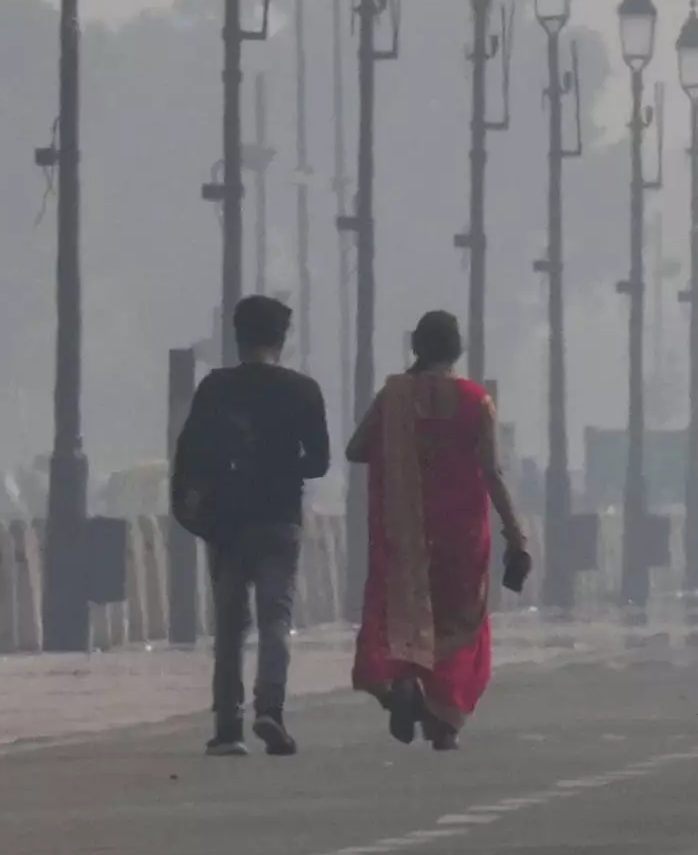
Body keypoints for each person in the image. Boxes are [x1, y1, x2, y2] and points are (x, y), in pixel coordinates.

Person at [347, 308, 530, 749]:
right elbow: (492, 473)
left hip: (403, 535)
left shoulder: (392, 396)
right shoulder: (475, 400)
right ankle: (443, 721)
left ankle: (396, 690)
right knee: (458, 627)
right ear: (456, 349)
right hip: (461, 538)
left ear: (417, 348)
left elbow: (356, 449)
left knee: (396, 617)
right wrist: (516, 535)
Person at [172, 291, 335, 756]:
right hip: (279, 518)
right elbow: (320, 461)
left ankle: (227, 727)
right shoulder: (303, 390)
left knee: (228, 625)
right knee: (275, 618)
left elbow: (191, 453)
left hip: (226, 522)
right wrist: (283, 466)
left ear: (236, 338)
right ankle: (271, 709)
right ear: (281, 339)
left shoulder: (216, 388)